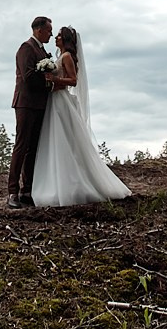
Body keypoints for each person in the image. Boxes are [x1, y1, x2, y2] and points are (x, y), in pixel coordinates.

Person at [31, 26, 131, 206]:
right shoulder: (58, 57)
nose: (56, 37)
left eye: (60, 35)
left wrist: (54, 80)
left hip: (61, 101)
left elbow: (73, 80)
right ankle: (59, 181)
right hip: (54, 100)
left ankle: (73, 183)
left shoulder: (67, 57)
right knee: (56, 140)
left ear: (67, 39)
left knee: (65, 139)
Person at [8, 15, 54, 209]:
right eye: (49, 31)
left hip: (39, 105)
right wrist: (48, 81)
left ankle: (27, 190)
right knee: (21, 146)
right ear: (38, 30)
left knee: (33, 148)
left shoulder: (42, 51)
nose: (51, 34)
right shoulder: (26, 48)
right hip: (26, 104)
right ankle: (12, 192)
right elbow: (28, 76)